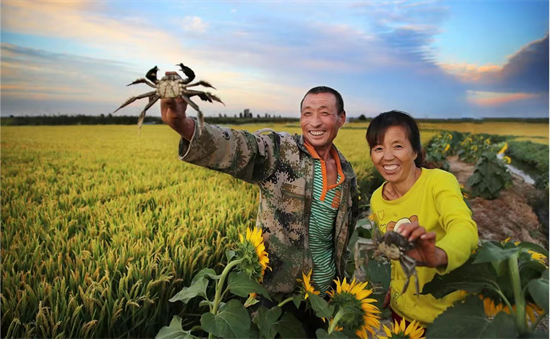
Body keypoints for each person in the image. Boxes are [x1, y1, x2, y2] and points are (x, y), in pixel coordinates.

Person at [160, 86, 358, 299]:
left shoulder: (346, 172)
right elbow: (239, 145)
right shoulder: (280, 151)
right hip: (279, 296)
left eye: (325, 113)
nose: (315, 122)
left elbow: (342, 237)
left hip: (327, 294)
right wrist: (183, 124)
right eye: (307, 113)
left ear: (341, 118)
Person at [366, 110, 478, 328]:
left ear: (415, 151)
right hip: (401, 312)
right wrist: (392, 287)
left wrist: (438, 254)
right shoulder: (376, 199)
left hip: (445, 317)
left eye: (397, 146)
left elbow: (464, 227)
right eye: (378, 148)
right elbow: (393, 253)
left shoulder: (438, 182)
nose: (387, 156)